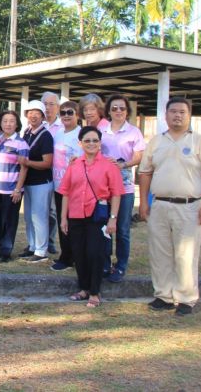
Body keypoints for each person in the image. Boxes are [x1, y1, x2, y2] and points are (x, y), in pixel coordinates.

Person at [138, 97, 201, 316]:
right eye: (173, 111)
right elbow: (145, 173)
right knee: (160, 252)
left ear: (189, 115)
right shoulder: (156, 142)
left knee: (186, 253)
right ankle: (163, 295)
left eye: (182, 112)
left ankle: (186, 298)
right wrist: (144, 203)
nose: (177, 115)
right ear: (165, 115)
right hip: (160, 205)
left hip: (189, 206)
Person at [59, 126, 124, 309]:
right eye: (87, 141)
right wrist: (64, 218)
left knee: (95, 253)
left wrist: (113, 218)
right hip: (76, 215)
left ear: (100, 143)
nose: (91, 144)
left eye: (95, 140)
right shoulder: (74, 164)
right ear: (80, 143)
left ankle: (95, 291)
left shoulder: (108, 165)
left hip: (98, 216)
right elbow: (65, 192)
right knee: (79, 253)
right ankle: (83, 288)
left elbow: (117, 193)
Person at [100, 94, 145, 283]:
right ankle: (104, 262)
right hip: (104, 186)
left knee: (122, 228)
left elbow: (138, 157)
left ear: (127, 111)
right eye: (114, 108)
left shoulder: (134, 132)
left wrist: (123, 165)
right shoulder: (102, 130)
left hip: (125, 187)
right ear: (109, 111)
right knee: (104, 226)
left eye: (122, 108)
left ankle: (121, 265)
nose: (118, 111)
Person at [0, 110, 29, 263]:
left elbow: (24, 168)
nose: (8, 124)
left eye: (12, 121)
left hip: (11, 190)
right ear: (0, 123)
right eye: (5, 121)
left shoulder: (21, 143)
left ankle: (6, 251)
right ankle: (0, 248)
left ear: (17, 124)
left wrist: (18, 188)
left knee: (9, 221)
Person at [19, 100, 54, 263]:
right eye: (30, 112)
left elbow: (47, 163)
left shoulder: (45, 136)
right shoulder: (26, 132)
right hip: (29, 181)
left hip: (41, 182)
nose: (33, 115)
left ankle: (41, 251)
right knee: (28, 217)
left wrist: (27, 163)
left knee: (39, 217)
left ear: (42, 116)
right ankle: (32, 246)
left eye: (37, 113)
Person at [50, 100, 83, 271]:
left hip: (76, 188)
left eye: (70, 112)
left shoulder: (81, 134)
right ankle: (66, 255)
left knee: (74, 223)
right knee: (63, 222)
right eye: (63, 113)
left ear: (78, 114)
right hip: (59, 185)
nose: (66, 116)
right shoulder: (58, 133)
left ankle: (75, 256)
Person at [42, 91, 62, 255]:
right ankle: (37, 241)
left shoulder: (63, 127)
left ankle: (50, 240)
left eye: (51, 104)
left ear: (58, 107)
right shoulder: (34, 125)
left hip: (56, 175)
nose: (48, 108)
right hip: (38, 175)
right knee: (38, 210)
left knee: (53, 210)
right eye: (45, 104)